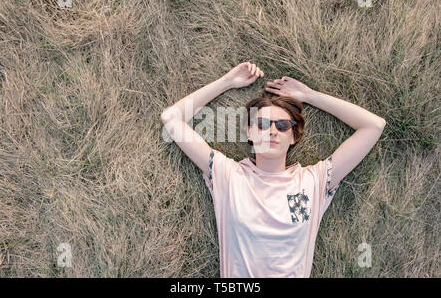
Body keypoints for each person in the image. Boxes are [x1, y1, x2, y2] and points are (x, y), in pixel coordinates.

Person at [161, 62, 386, 277]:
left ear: (294, 136)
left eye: (282, 125)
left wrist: (309, 95)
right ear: (250, 133)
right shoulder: (228, 175)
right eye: (262, 124)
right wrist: (226, 82)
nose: (272, 131)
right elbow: (171, 118)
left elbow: (373, 125)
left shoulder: (314, 182)